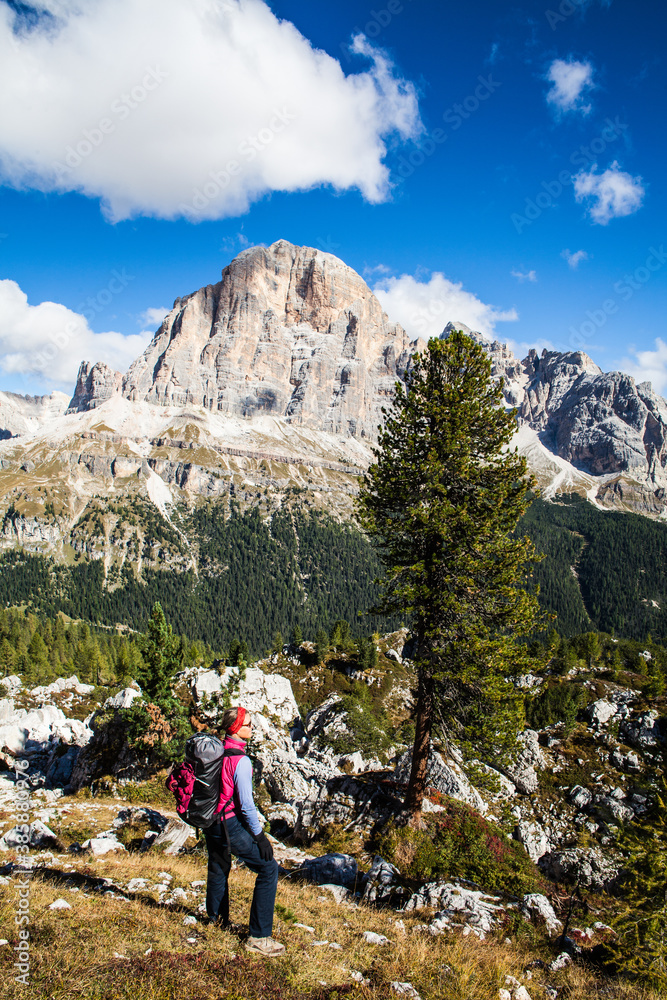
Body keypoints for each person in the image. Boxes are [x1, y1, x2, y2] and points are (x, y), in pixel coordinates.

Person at [203, 705, 284, 957]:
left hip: (211, 822)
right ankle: (259, 937)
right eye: (248, 724)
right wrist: (260, 838)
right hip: (229, 823)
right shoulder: (241, 761)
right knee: (268, 868)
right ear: (236, 728)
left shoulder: (216, 752)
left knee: (218, 867)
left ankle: (216, 922)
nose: (252, 728)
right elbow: (247, 806)